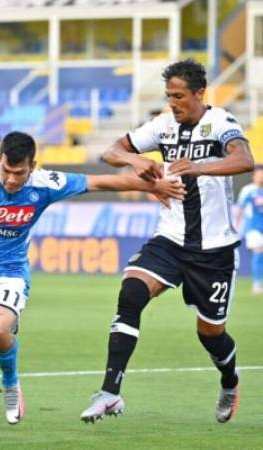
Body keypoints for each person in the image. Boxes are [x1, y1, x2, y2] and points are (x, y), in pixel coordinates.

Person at [0, 131, 185, 429]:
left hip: (10, 275)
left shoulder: (46, 183)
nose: (11, 179)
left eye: (19, 173)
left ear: (33, 165)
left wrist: (154, 186)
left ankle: (10, 383)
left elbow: (102, 182)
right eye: (6, 170)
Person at [80, 59, 253, 424]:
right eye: (168, 96)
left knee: (210, 333)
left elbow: (245, 159)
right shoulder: (163, 125)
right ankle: (110, 393)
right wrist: (134, 159)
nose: (173, 103)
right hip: (171, 239)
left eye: (179, 96)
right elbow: (111, 151)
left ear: (199, 94)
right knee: (131, 293)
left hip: (214, 251)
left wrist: (198, 166)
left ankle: (229, 380)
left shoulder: (220, 123)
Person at [236, 166, 263, 294]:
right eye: (259, 174)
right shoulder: (248, 190)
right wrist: (237, 225)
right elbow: (241, 208)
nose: (260, 177)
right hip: (253, 227)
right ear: (254, 176)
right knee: (258, 252)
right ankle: (257, 283)